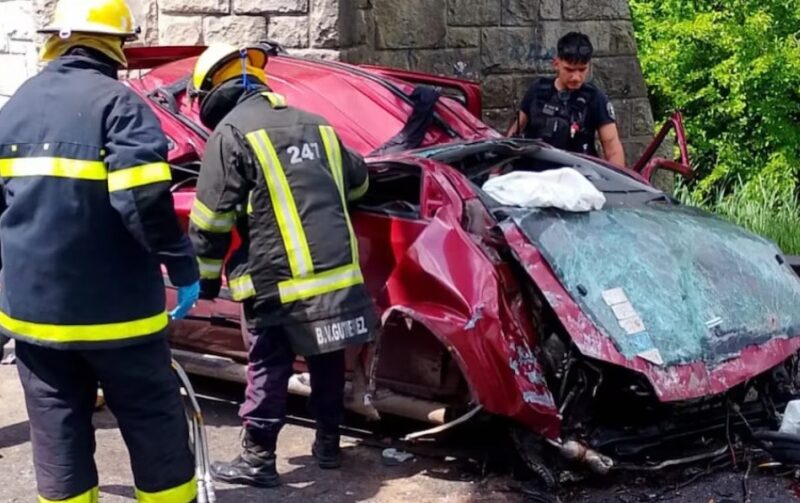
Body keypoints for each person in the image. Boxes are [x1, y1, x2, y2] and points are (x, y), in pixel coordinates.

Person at [0, 0, 201, 501]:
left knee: (56, 430)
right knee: (153, 423)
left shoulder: (14, 107)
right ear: (118, 45)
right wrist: (181, 263)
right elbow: (143, 201)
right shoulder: (120, 104)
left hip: (34, 319)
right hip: (119, 315)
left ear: (56, 39)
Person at [188, 43, 376, 488]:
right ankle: (329, 444)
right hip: (337, 275)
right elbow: (360, 181)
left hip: (277, 281)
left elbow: (209, 220)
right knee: (327, 360)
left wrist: (206, 282)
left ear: (213, 90)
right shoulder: (320, 125)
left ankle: (258, 459)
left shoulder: (230, 132)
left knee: (268, 365)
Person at [506, 31, 626, 167]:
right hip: (535, 179)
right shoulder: (537, 91)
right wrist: (495, 171)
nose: (576, 77)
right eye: (569, 70)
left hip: (577, 178)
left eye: (582, 70)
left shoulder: (595, 98)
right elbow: (514, 132)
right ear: (556, 64)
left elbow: (612, 147)